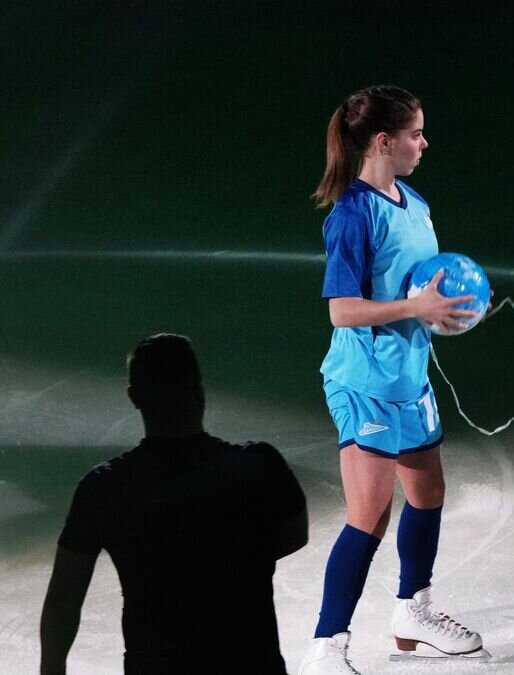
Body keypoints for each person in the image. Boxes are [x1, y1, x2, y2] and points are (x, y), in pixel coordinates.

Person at [299, 85, 486, 674]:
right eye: (415, 134)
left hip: (409, 378)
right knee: (370, 513)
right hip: (365, 384)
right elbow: (341, 310)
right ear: (384, 142)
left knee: (428, 493)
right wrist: (416, 309)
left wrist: (448, 308)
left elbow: (419, 283)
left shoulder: (415, 203)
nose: (423, 144)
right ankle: (326, 647)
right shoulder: (352, 215)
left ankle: (413, 612)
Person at [39, 333, 308, 674]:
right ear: (200, 390)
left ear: (134, 398)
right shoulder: (260, 465)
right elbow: (295, 535)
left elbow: (64, 598)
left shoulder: (105, 487)